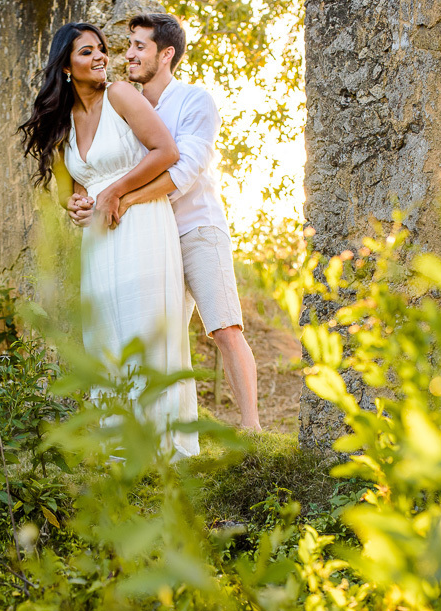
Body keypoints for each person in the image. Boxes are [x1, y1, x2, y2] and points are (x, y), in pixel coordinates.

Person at [67, 13, 261, 432]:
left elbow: (182, 170)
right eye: (130, 45)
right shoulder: (126, 105)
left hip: (195, 229)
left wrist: (122, 197)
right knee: (162, 338)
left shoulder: (194, 100)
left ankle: (251, 427)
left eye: (139, 46)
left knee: (224, 326)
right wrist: (88, 199)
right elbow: (106, 165)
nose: (128, 54)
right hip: (153, 239)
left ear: (166, 54)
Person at [19, 22, 199, 459]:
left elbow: (166, 152)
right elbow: (70, 191)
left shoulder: (119, 95)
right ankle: (121, 446)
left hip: (140, 225)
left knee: (143, 327)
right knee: (105, 336)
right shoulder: (63, 122)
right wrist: (75, 206)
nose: (101, 56)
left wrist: (116, 191)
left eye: (101, 49)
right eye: (87, 52)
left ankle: (162, 445)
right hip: (98, 240)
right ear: (65, 67)